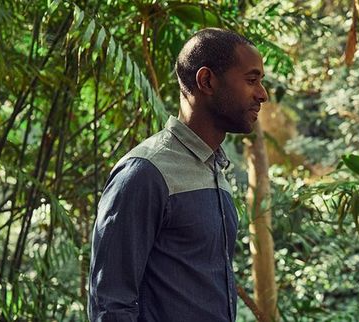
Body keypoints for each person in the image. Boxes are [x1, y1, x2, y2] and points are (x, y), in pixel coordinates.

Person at [88, 28, 268, 321]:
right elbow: (110, 303)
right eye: (252, 80)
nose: (262, 94)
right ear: (206, 80)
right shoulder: (146, 172)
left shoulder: (215, 169)